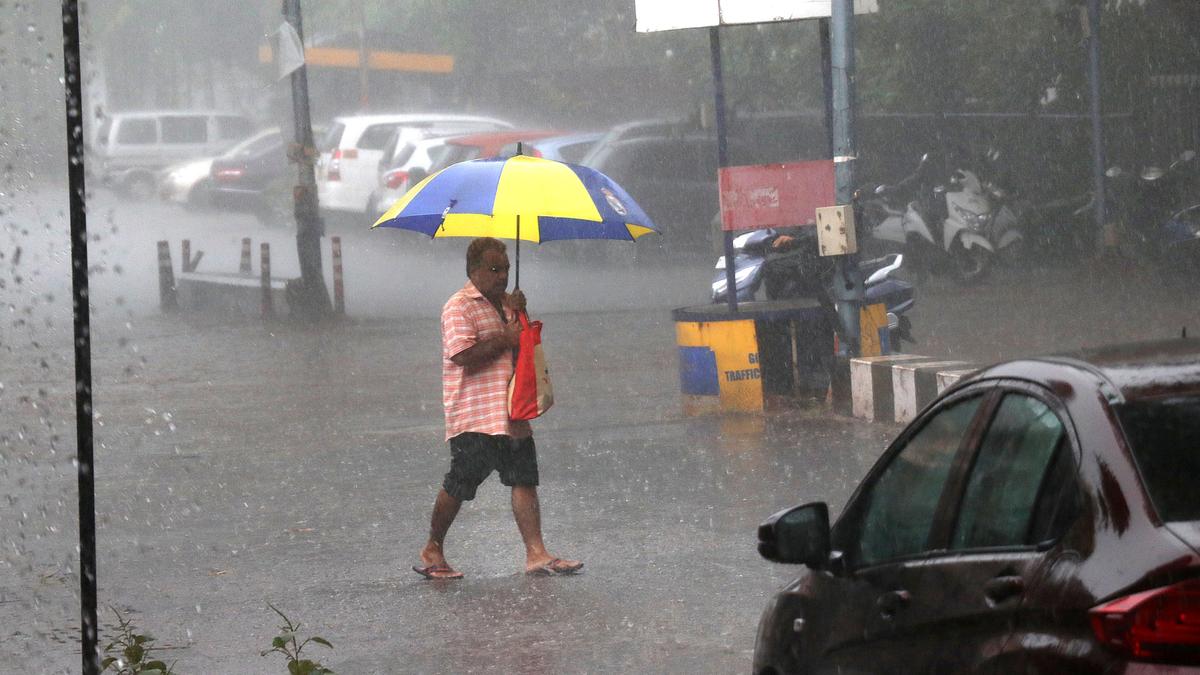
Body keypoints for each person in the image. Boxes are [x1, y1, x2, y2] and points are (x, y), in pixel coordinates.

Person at [413, 237, 583, 580]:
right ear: (473, 270)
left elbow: (522, 349)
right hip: (476, 414)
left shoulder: (507, 305)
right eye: (493, 269)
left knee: (524, 479)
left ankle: (536, 553)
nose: (502, 276)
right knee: (461, 482)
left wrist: (520, 314)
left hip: (512, 411)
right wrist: (505, 337)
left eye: (505, 269)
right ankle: (433, 548)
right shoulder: (458, 306)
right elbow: (462, 355)